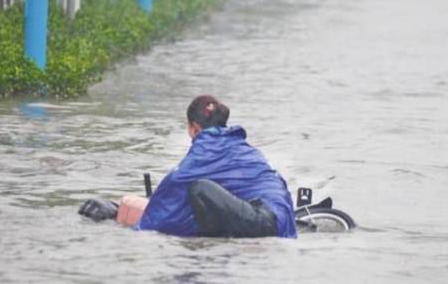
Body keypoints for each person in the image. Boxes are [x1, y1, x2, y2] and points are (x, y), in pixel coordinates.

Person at [79, 95, 297, 238]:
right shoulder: (237, 144)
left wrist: (120, 220)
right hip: (282, 214)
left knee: (199, 188)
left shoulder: (205, 151)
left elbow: (162, 210)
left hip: (267, 221)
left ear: (194, 128)